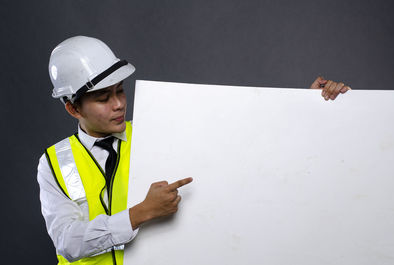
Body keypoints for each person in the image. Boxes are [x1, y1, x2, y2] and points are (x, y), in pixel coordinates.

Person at [37, 36, 350, 265]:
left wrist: (307, 106)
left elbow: (239, 147)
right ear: (73, 109)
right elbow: (67, 241)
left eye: (120, 91)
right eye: (104, 99)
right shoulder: (54, 163)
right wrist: (141, 212)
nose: (119, 104)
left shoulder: (154, 130)